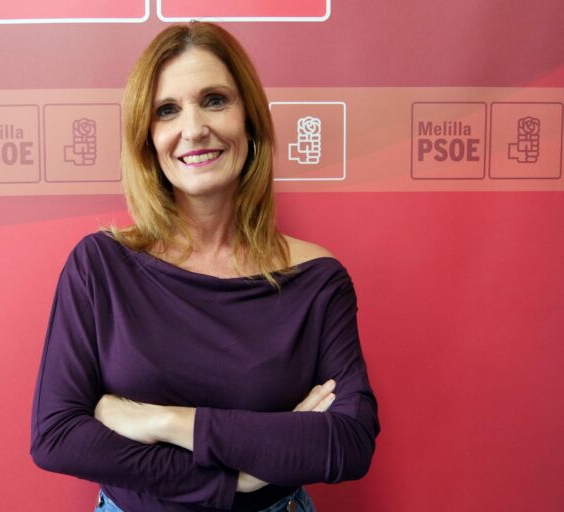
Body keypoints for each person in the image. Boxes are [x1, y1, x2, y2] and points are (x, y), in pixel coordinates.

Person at [30, 22, 379, 512]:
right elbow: (57, 434)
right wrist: (236, 479)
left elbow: (347, 440)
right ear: (146, 138)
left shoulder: (317, 280)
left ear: (250, 120)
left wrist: (167, 422)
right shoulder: (100, 267)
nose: (193, 128)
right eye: (167, 110)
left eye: (214, 100)